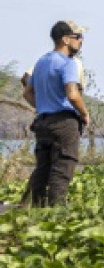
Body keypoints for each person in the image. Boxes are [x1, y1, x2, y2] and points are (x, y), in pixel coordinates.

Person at [21, 21, 91, 207]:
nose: (81, 41)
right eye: (77, 38)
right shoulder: (68, 63)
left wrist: (43, 106)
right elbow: (72, 93)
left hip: (43, 122)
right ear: (66, 40)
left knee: (42, 170)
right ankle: (57, 215)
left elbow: (27, 93)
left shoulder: (42, 61)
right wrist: (84, 113)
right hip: (63, 123)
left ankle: (36, 212)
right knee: (62, 169)